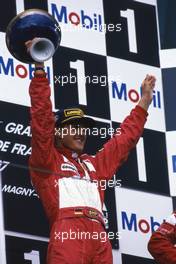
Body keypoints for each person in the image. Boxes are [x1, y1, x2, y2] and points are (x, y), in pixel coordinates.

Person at [28, 50, 156, 263]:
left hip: (99, 234)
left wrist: (144, 102)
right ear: (57, 132)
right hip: (68, 232)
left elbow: (123, 141)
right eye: (74, 127)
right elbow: (41, 121)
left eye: (84, 127)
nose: (81, 132)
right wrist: (40, 70)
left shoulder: (94, 165)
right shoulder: (47, 161)